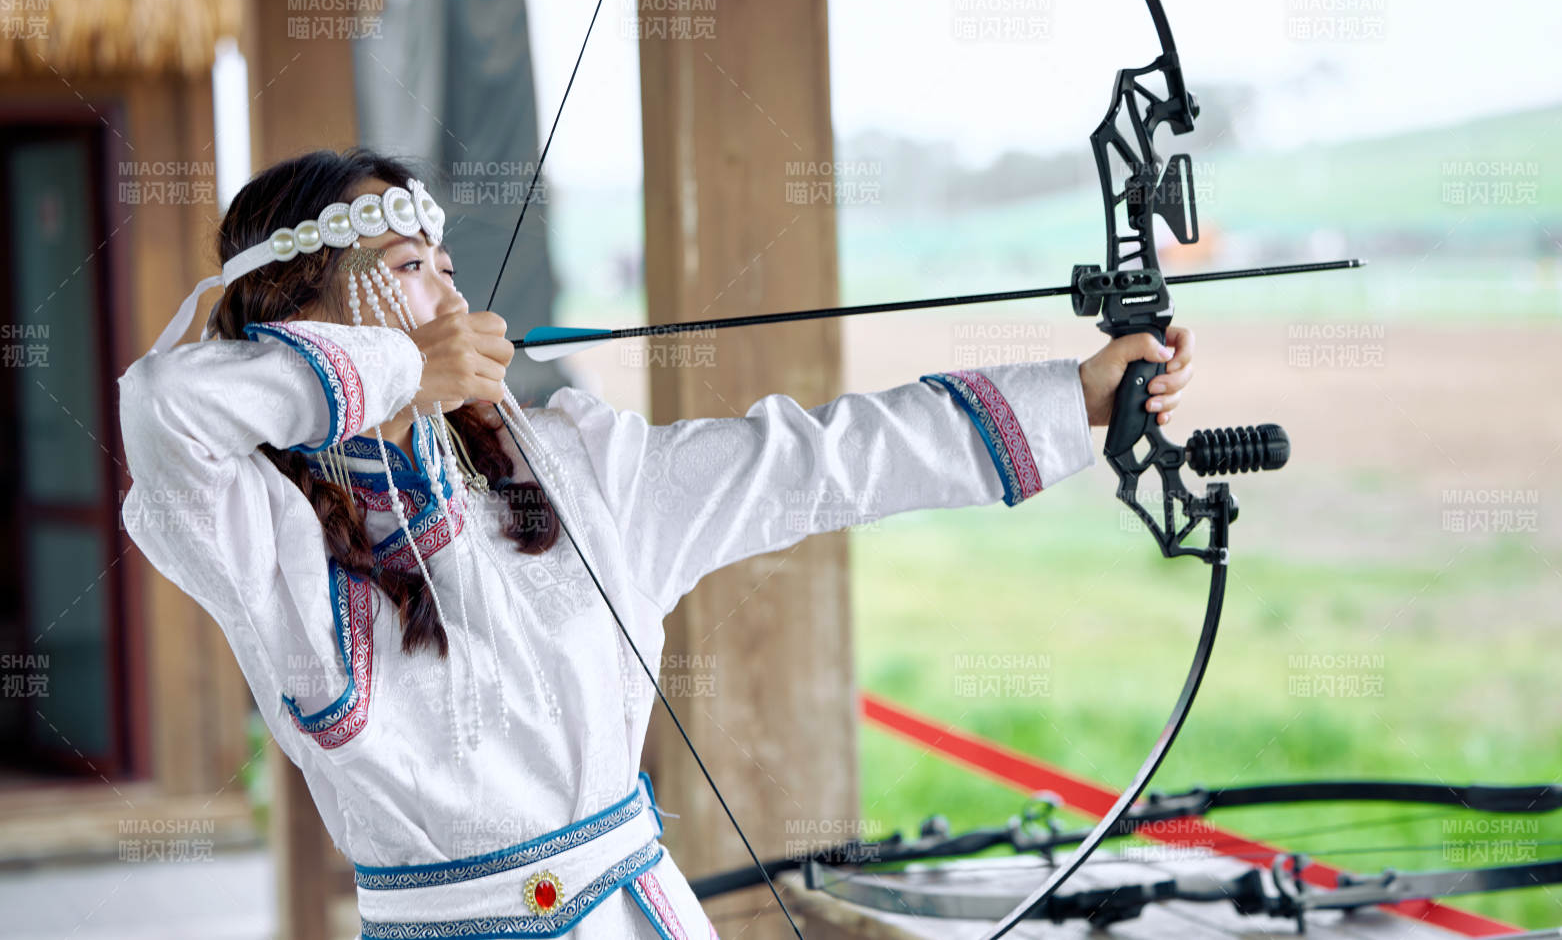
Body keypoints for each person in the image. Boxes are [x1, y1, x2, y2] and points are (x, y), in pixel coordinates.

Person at [117, 147, 1195, 938]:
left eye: (444, 265)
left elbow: (818, 460)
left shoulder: (575, 472)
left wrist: (1079, 396)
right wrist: (406, 373)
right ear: (294, 314)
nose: (448, 296)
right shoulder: (255, 528)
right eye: (404, 267)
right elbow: (165, 407)